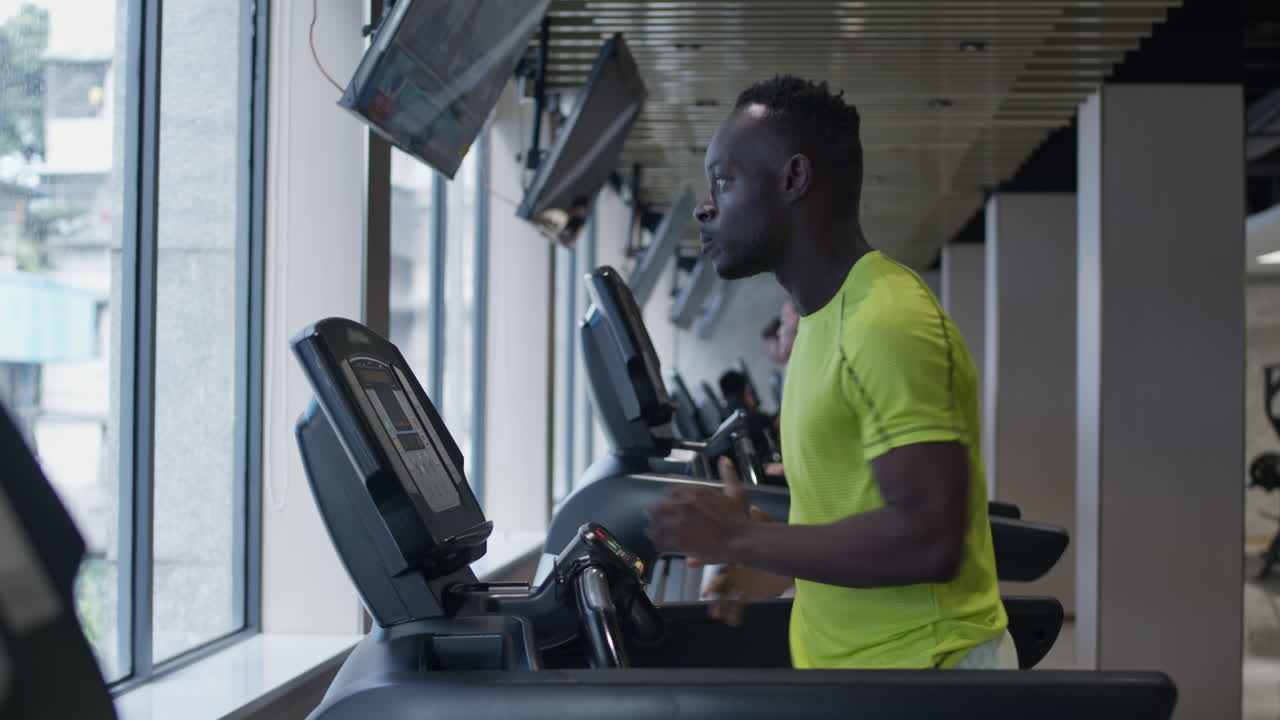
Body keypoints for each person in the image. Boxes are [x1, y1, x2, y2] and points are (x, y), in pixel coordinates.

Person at [646, 76, 1012, 670]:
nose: (704, 206)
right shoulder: (821, 324)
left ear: (794, 179)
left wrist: (742, 539)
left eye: (724, 180)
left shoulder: (886, 321)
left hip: (930, 678)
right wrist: (771, 560)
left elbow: (929, 538)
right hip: (858, 675)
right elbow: (860, 521)